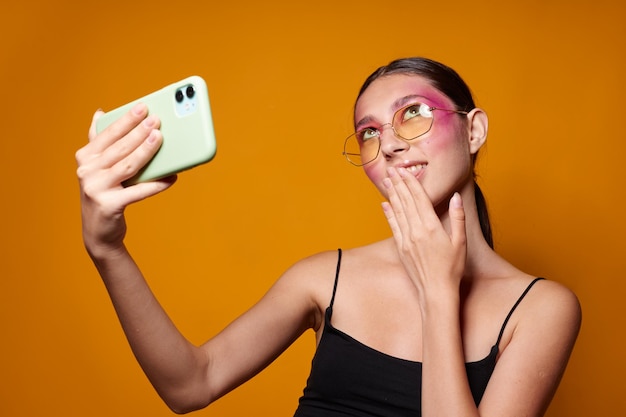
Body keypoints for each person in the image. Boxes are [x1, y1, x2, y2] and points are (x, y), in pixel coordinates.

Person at [76, 57, 581, 416]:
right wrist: (108, 249)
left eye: (414, 114)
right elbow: (190, 385)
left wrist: (437, 292)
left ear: (474, 131)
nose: (388, 146)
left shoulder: (542, 310)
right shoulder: (324, 278)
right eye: (369, 132)